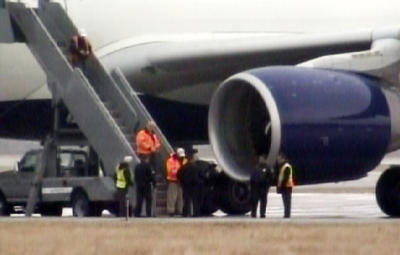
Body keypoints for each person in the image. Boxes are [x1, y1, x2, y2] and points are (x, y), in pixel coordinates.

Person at [178, 149, 203, 217]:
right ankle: (196, 213)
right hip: (195, 185)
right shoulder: (197, 167)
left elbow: (179, 174)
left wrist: (182, 182)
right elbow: (202, 175)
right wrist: (200, 181)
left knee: (186, 200)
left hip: (186, 185)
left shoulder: (184, 167)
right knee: (195, 200)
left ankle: (185, 213)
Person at [165, 148, 186, 216]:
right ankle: (171, 211)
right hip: (173, 180)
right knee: (172, 197)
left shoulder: (184, 159)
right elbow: (170, 171)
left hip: (181, 181)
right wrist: (179, 172)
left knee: (181, 197)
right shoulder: (170, 161)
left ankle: (180, 210)